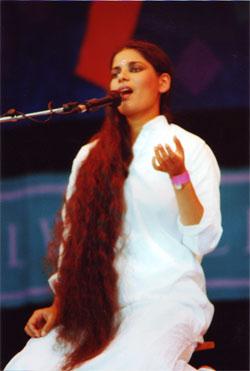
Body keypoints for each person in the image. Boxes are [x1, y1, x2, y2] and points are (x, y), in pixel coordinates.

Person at [4, 40, 222, 371]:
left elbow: (202, 240)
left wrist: (179, 177)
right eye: (115, 73)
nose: (122, 79)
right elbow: (74, 243)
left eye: (135, 69)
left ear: (162, 82)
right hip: (96, 307)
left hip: (165, 300)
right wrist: (60, 305)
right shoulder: (90, 156)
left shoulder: (190, 148)